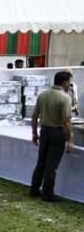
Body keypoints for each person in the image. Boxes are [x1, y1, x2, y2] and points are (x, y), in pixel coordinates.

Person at [30, 70, 74, 202]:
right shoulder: (65, 98)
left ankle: (34, 189)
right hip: (57, 132)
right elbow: (66, 121)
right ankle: (48, 193)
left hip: (44, 131)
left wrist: (34, 132)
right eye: (69, 83)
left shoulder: (43, 95)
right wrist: (70, 140)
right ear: (65, 82)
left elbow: (34, 116)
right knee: (51, 165)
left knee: (41, 162)